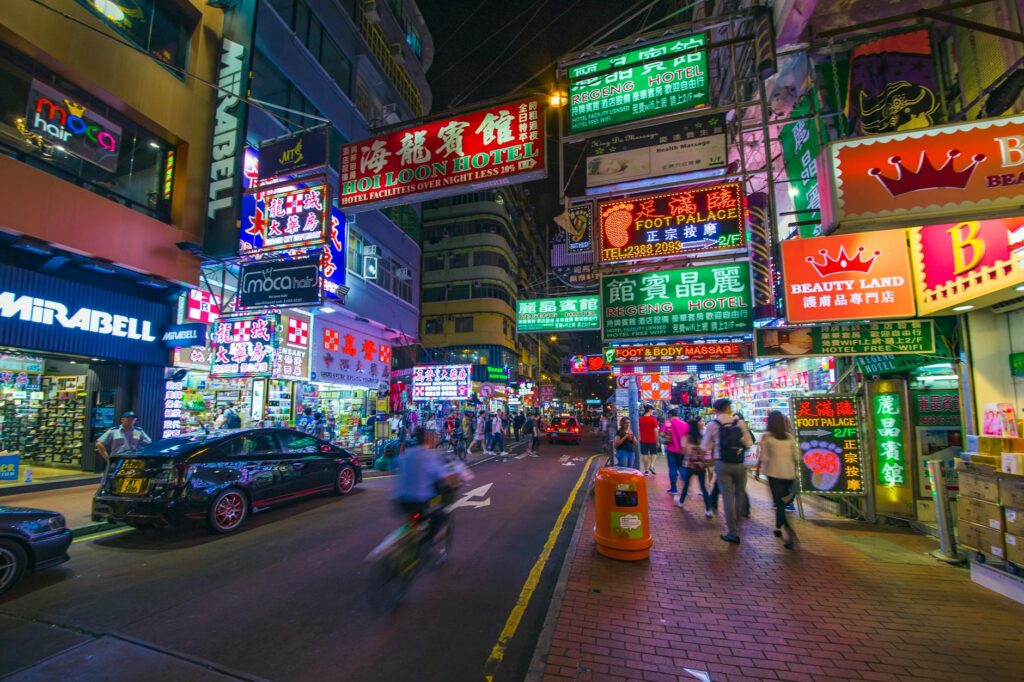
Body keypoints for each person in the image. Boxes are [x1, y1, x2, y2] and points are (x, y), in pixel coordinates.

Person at [701, 398, 753, 544]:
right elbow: (749, 443)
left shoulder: (712, 425)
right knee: (740, 494)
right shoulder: (740, 423)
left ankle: (733, 532)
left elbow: (705, 446)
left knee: (727, 496)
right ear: (729, 408)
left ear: (715, 410)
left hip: (722, 463)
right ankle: (738, 524)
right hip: (739, 463)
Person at [393, 444, 456, 550]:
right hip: (419, 501)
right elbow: (446, 478)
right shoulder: (429, 457)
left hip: (400, 500)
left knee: (414, 518)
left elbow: (394, 466)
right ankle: (425, 543)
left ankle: (408, 537)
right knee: (439, 517)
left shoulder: (404, 456)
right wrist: (454, 485)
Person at [758, 410, 801, 549]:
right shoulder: (790, 437)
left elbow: (763, 457)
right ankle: (778, 527)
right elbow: (797, 457)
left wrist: (758, 469)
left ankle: (788, 531)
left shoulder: (766, 437)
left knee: (779, 503)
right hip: (789, 474)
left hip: (774, 474)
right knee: (782, 502)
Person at [678, 417, 713, 517]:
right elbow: (707, 449)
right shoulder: (702, 437)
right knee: (703, 487)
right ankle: (708, 509)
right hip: (701, 465)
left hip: (690, 465)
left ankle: (681, 502)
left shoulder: (687, 437)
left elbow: (683, 451)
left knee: (686, 485)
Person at [660, 409, 689, 496]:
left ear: (670, 415)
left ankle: (673, 488)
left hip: (671, 450)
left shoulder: (667, 423)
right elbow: (688, 437)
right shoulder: (685, 424)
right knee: (682, 468)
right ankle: (686, 487)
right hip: (682, 450)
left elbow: (661, 435)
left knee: (672, 469)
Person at [638, 405, 660, 476]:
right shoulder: (653, 419)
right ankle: (652, 465)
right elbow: (656, 431)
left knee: (644, 454)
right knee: (654, 453)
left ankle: (646, 471)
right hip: (652, 440)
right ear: (650, 410)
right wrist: (657, 441)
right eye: (652, 410)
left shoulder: (640, 419)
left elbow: (639, 430)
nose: (653, 411)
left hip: (643, 439)